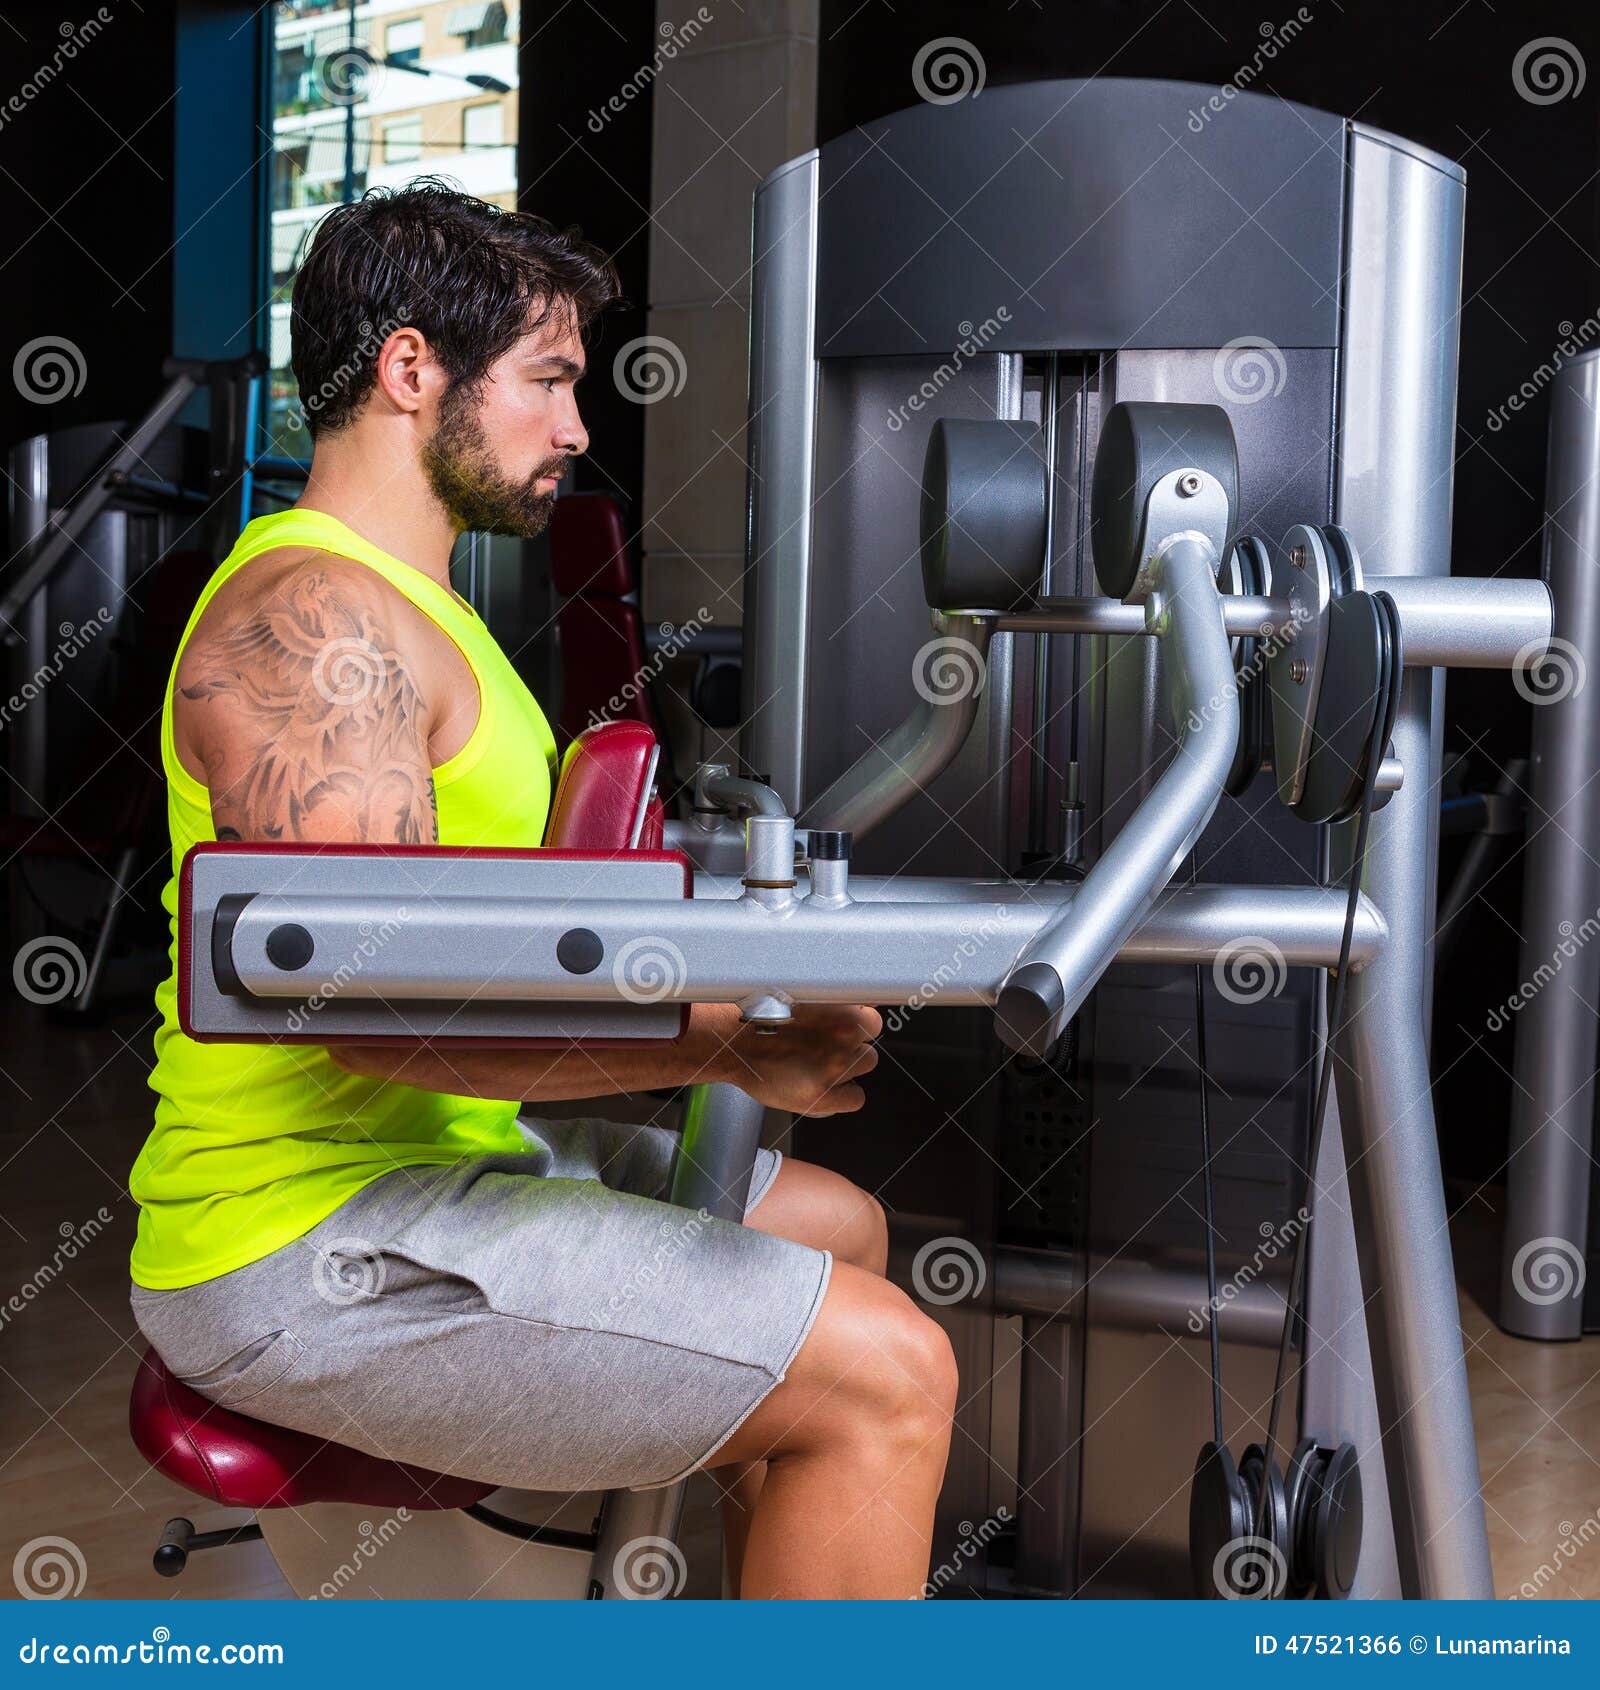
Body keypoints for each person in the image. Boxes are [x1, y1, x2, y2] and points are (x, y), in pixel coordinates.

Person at [127, 181, 957, 1600]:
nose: (577, 427)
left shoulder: (426, 611)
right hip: (301, 1240)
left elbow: (493, 943)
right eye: (549, 381)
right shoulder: (316, 627)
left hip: (432, 1170)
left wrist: (708, 995)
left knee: (842, 1228)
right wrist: (717, 1038)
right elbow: (370, 1005)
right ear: (408, 370)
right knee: (894, 1371)